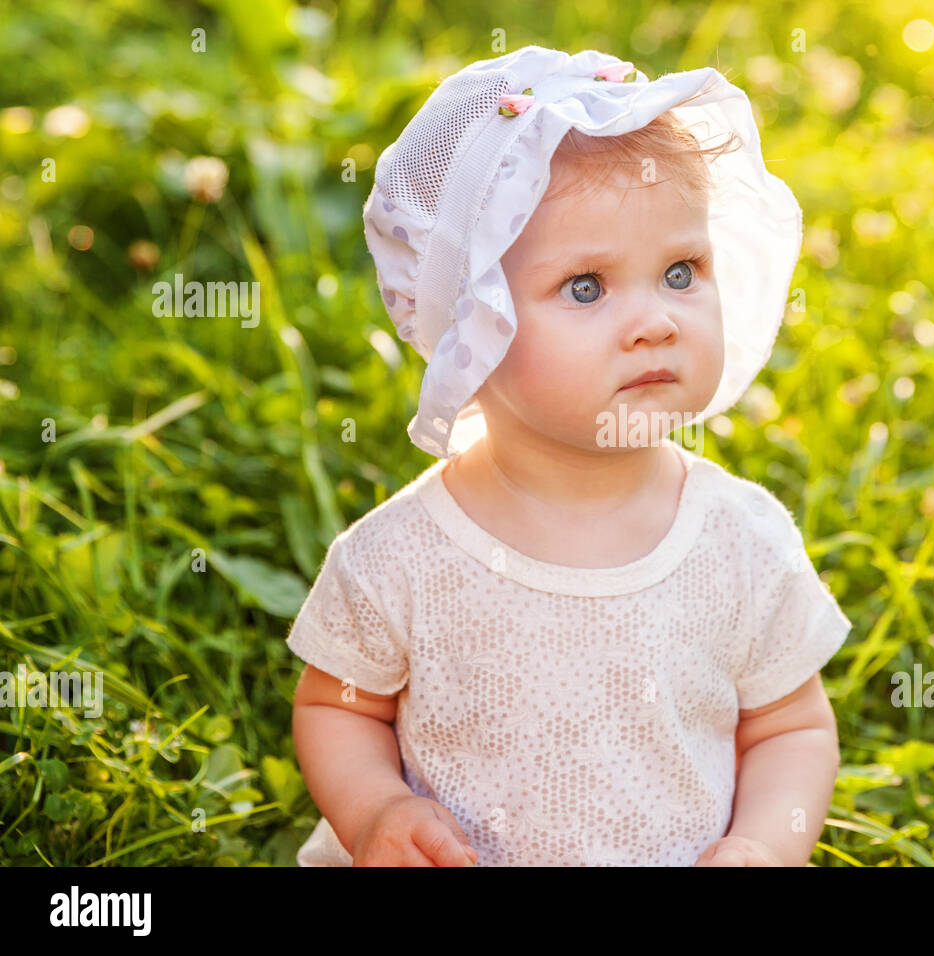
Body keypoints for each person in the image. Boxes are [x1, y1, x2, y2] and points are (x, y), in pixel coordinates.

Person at [286, 45, 853, 866]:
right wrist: (375, 811)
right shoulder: (401, 555)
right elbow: (340, 706)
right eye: (586, 287)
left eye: (682, 271)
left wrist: (762, 846)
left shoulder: (740, 541)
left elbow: (791, 725)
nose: (657, 320)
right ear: (468, 328)